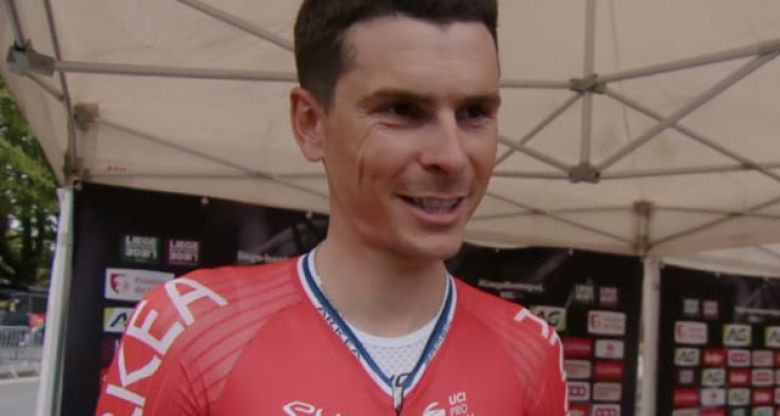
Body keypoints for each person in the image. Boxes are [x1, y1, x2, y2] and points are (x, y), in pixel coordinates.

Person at [96, 1, 568, 415]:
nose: (452, 155)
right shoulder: (190, 332)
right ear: (310, 123)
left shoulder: (530, 350)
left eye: (474, 113)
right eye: (402, 110)